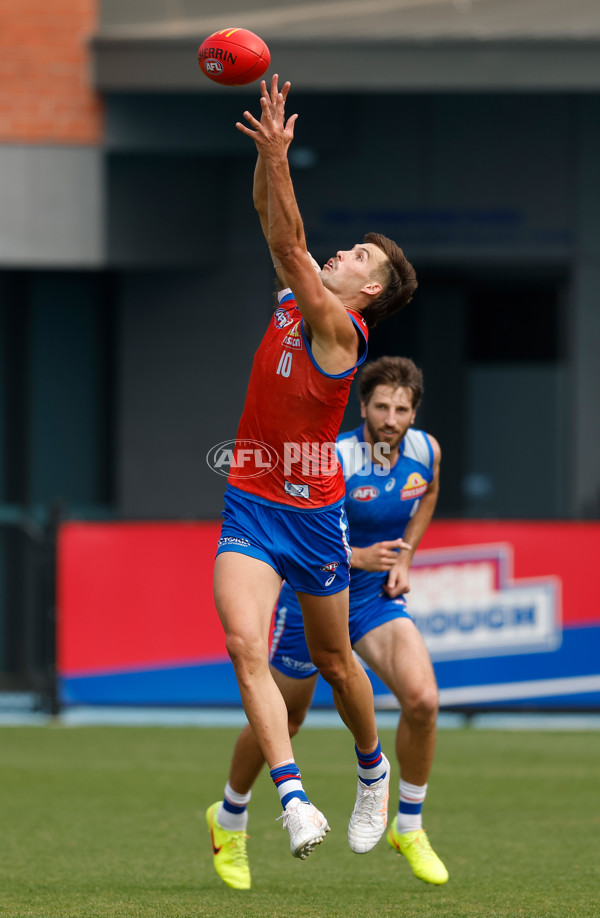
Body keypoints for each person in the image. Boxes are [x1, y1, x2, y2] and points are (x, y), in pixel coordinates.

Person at [211, 76, 417, 864]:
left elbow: (294, 245)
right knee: (244, 646)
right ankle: (293, 800)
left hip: (312, 515)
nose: (342, 251)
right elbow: (277, 227)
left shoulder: (339, 329)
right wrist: (270, 159)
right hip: (251, 504)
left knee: (336, 663)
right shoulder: (298, 298)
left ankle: (373, 772)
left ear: (367, 291)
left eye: (358, 255)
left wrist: (278, 159)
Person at [208, 355, 449, 889]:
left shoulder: (425, 451)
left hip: (373, 603)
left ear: (413, 414)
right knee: (284, 721)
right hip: (313, 594)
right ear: (362, 407)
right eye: (381, 406)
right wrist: (359, 558)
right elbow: (307, 532)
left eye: (401, 409)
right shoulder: (332, 457)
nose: (391, 417)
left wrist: (405, 557)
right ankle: (229, 817)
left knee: (424, 700)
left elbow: (427, 494)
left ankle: (408, 825)